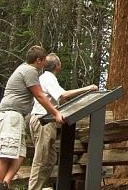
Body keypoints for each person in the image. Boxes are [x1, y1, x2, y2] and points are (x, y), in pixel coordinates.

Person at [0, 46, 63, 190]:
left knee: (19, 154)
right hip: (10, 115)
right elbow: (39, 95)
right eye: (44, 61)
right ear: (38, 60)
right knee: (5, 157)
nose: (45, 65)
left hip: (13, 116)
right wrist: (55, 113)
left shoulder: (24, 68)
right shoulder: (30, 71)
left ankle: (5, 183)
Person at [28, 53, 97, 190]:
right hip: (43, 121)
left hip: (44, 121)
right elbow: (62, 95)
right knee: (41, 160)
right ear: (57, 65)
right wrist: (88, 88)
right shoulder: (48, 78)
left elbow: (61, 99)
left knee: (50, 158)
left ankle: (39, 187)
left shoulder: (46, 78)